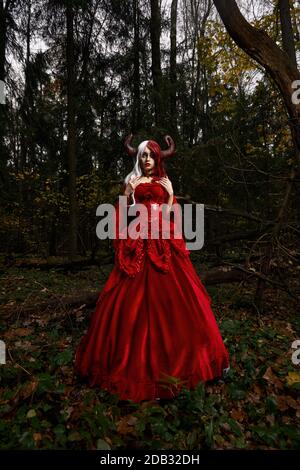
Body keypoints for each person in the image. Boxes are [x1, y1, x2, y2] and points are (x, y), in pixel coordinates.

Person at [74, 134, 230, 403]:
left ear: (158, 158)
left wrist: (169, 196)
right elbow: (123, 213)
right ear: (139, 157)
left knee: (178, 299)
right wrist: (125, 194)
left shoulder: (164, 182)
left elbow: (172, 215)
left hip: (163, 239)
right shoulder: (132, 182)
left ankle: (189, 362)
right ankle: (128, 367)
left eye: (151, 155)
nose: (147, 159)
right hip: (138, 239)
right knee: (128, 300)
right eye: (143, 155)